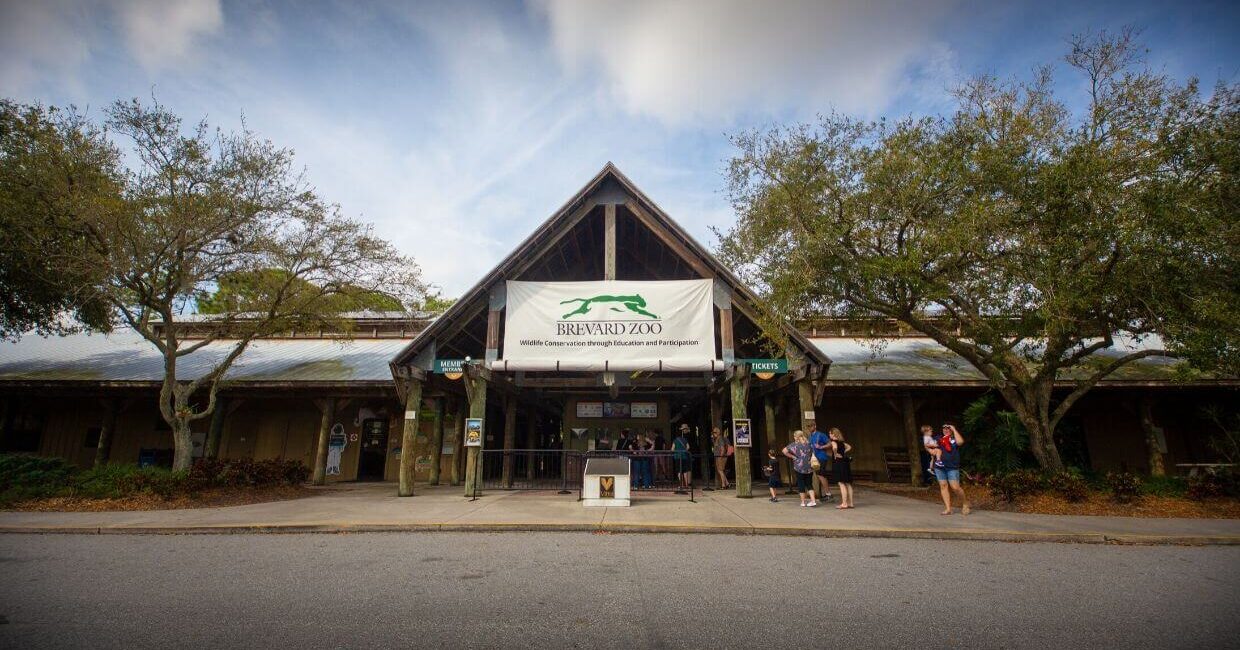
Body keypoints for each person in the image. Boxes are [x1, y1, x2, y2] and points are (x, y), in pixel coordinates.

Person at [935, 424, 970, 515]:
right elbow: (931, 446)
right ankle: (948, 509)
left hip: (952, 467)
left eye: (948, 428)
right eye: (944, 428)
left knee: (955, 487)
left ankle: (965, 503)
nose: (946, 430)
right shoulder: (939, 438)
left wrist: (954, 429)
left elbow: (960, 442)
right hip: (940, 467)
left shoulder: (954, 439)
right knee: (943, 486)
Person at [782, 430, 818, 507]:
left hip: (799, 467)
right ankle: (813, 501)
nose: (794, 438)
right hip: (809, 467)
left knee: (801, 484)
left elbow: (784, 451)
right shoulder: (809, 443)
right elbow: (813, 452)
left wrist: (792, 456)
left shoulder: (794, 445)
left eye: (794, 436)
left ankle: (803, 502)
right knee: (809, 484)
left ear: (796, 437)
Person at [828, 428, 855, 509]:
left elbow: (834, 448)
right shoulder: (842, 442)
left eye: (830, 433)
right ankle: (851, 503)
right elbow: (849, 447)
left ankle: (844, 503)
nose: (829, 435)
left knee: (841, 483)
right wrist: (843, 452)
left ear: (833, 434)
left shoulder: (833, 442)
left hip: (838, 463)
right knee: (848, 483)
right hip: (845, 463)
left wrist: (835, 453)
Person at [808, 420, 833, 501]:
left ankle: (828, 494)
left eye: (811, 426)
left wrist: (821, 447)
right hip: (814, 459)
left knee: (821, 475)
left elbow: (830, 443)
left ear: (815, 426)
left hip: (821, 457)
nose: (810, 428)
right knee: (819, 475)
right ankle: (825, 494)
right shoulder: (810, 436)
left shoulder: (820, 435)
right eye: (808, 426)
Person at [672, 424, 692, 491]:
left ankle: (681, 485)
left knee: (679, 471)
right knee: (685, 471)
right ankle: (686, 485)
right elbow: (688, 447)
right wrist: (684, 450)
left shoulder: (675, 440)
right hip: (684, 457)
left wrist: (676, 451)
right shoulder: (685, 440)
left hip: (677, 457)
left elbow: (672, 449)